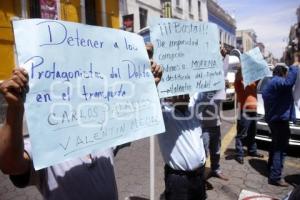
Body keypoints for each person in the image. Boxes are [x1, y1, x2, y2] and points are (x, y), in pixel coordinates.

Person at [0, 63, 162, 199]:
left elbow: (133, 119)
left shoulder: (103, 131)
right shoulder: (45, 141)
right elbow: (10, 165)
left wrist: (147, 86)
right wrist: (15, 108)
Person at [158, 94, 207, 200]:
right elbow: (151, 104)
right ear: (173, 97)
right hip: (179, 181)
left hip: (199, 176)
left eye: (187, 93)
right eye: (182, 94)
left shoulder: (194, 111)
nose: (186, 96)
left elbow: (206, 92)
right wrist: (155, 84)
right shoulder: (165, 116)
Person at [262, 64, 298, 187]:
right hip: (279, 120)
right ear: (282, 73)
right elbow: (288, 83)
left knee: (275, 143)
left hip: (273, 119)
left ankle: (270, 165)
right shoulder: (277, 81)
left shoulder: (270, 83)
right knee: (280, 148)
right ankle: (275, 176)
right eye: (286, 73)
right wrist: (295, 66)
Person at [234, 67, 264, 164]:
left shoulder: (253, 83)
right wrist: (243, 65)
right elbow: (238, 74)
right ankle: (239, 154)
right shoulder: (239, 83)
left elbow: (261, 74)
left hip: (253, 111)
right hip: (244, 111)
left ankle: (252, 151)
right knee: (242, 133)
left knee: (252, 132)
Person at [200, 91, 228, 181]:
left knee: (216, 150)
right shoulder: (201, 91)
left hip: (216, 124)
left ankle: (216, 169)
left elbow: (222, 99)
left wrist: (224, 87)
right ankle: (199, 175)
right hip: (203, 126)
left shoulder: (218, 89)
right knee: (203, 152)